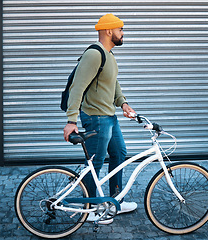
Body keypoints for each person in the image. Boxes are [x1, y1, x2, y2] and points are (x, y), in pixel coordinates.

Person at [63, 13, 137, 224]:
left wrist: (123, 103)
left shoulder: (109, 55)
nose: (123, 33)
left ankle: (113, 202)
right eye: (120, 29)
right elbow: (77, 87)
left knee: (119, 153)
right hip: (95, 118)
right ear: (108, 31)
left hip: (109, 116)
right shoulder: (94, 54)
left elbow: (113, 84)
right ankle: (89, 208)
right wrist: (71, 120)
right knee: (94, 164)